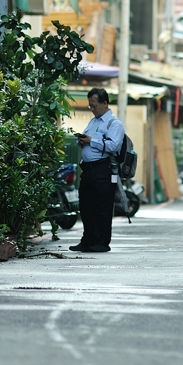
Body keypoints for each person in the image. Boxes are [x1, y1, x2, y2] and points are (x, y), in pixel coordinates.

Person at [70, 88, 124, 253]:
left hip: (103, 169)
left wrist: (92, 141)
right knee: (87, 206)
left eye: (94, 106)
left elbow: (114, 146)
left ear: (105, 103)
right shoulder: (93, 122)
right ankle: (87, 240)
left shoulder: (114, 123)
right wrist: (82, 140)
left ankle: (102, 242)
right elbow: (88, 139)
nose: (92, 109)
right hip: (88, 170)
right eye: (90, 106)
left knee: (103, 207)